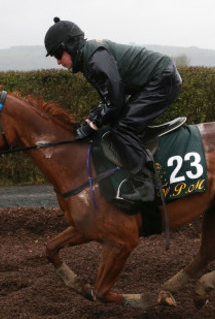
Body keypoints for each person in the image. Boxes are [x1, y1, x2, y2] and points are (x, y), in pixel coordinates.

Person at [44, 17, 182, 203]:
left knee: (123, 127)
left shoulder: (94, 60)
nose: (58, 62)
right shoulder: (89, 58)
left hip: (162, 79)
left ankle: (146, 186)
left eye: (57, 55)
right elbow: (109, 100)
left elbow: (115, 102)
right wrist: (91, 120)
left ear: (69, 45)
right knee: (117, 123)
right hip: (157, 78)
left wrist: (93, 122)